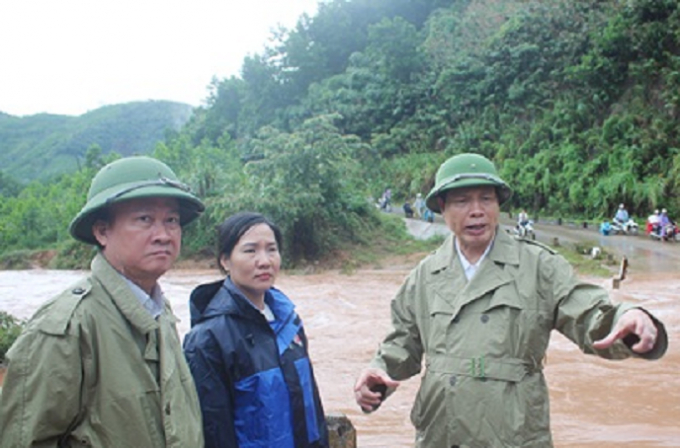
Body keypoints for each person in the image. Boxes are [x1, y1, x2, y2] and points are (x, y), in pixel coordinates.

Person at [353, 153, 668, 448]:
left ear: (498, 206)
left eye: (486, 199)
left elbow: (588, 314)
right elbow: (403, 344)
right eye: (462, 201)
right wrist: (377, 372)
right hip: (440, 431)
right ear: (443, 209)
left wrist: (628, 320)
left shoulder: (538, 265)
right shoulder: (424, 276)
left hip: (515, 431)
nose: (477, 210)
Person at [0, 156, 205, 446]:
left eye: (171, 220)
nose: (163, 235)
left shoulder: (161, 312)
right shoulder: (67, 328)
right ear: (102, 231)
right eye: (144, 219)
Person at [183, 212, 328, 448]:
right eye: (250, 251)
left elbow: (313, 410)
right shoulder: (207, 339)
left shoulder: (289, 322)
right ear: (225, 260)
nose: (264, 261)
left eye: (271, 249)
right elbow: (214, 432)